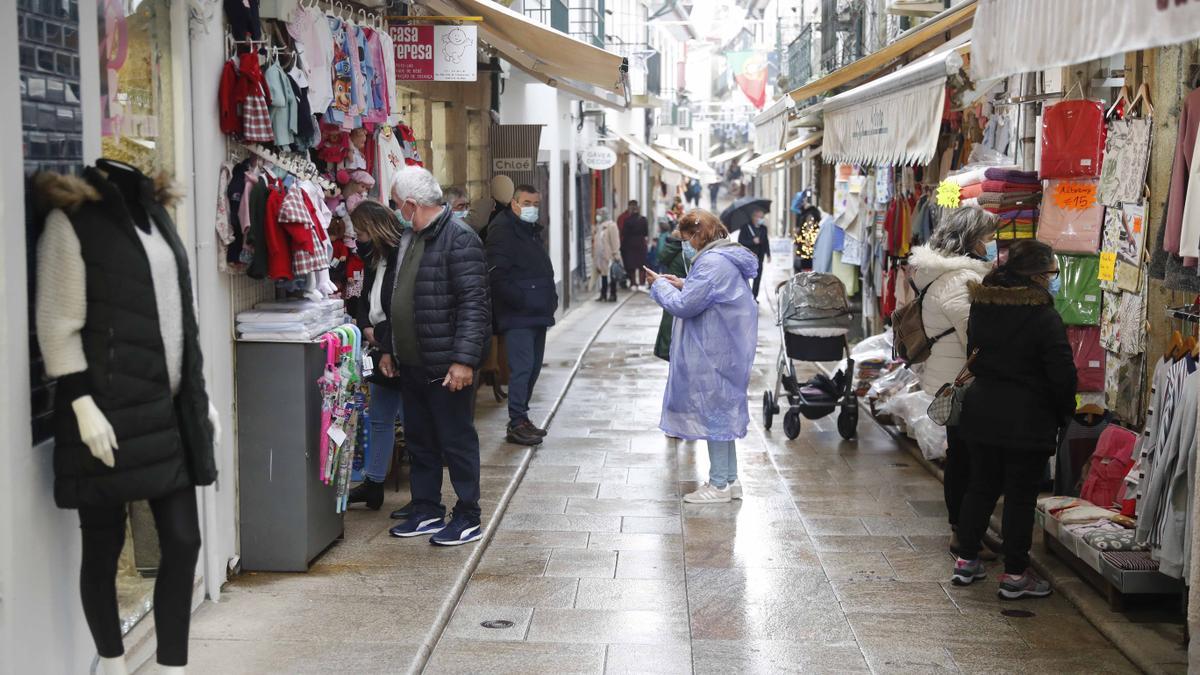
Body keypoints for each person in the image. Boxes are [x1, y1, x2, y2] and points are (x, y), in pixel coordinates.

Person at [950, 240, 1077, 598]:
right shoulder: (1043, 316)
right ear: (1037, 274)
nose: (1053, 280)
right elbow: (1061, 371)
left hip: (981, 409)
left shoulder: (982, 304)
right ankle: (1016, 575)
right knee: (1020, 496)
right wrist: (1066, 409)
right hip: (1027, 416)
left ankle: (966, 561)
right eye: (1051, 273)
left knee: (981, 486)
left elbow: (973, 353)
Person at [380, 168, 492, 546]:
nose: (395, 211)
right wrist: (390, 348)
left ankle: (468, 514)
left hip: (447, 365)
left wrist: (464, 361)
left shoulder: (460, 240)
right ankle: (426, 508)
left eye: (397, 205)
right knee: (421, 440)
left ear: (411, 204)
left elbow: (475, 306)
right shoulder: (409, 236)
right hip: (413, 361)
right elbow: (397, 294)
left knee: (456, 441)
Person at [646, 209, 759, 503]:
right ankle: (730, 480)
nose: (686, 245)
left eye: (686, 239)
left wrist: (659, 285)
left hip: (713, 351)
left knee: (715, 415)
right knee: (721, 413)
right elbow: (708, 292)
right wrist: (684, 282)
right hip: (725, 348)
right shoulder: (724, 257)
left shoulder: (710, 263)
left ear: (698, 235)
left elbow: (685, 306)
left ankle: (719, 484)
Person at [907, 207, 997, 550]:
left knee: (960, 455)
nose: (992, 244)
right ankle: (964, 531)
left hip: (950, 378)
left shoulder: (939, 274)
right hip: (964, 382)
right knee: (969, 461)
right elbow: (974, 335)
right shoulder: (960, 280)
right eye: (989, 237)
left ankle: (963, 527)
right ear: (973, 240)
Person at [346, 202, 408, 514]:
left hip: (398, 345)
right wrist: (366, 327)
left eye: (360, 231)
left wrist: (383, 337)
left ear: (375, 228)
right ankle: (373, 484)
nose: (357, 238)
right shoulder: (373, 259)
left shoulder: (401, 256)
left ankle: (424, 496)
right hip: (378, 342)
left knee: (412, 420)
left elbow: (401, 303)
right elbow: (364, 298)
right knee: (380, 417)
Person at [485, 184, 558, 446]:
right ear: (514, 203)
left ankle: (522, 418)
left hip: (537, 312)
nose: (532, 209)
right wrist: (522, 300)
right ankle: (516, 421)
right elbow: (497, 274)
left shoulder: (530, 231)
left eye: (536, 204)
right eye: (527, 203)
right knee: (522, 368)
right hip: (518, 315)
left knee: (533, 368)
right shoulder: (503, 230)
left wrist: (550, 299)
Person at [653, 229, 695, 361]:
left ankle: (665, 350)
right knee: (673, 326)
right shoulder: (682, 256)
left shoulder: (674, 252)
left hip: (672, 295)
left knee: (668, 323)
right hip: (678, 296)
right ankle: (669, 351)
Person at [737, 208, 771, 300]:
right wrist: (752, 241)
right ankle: (745, 296)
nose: (761, 219)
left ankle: (754, 297)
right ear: (754, 217)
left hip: (759, 257)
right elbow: (740, 242)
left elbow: (766, 242)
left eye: (762, 217)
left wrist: (768, 254)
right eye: (760, 217)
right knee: (745, 277)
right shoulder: (745, 227)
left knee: (758, 278)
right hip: (747, 257)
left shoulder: (764, 229)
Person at [593, 208, 621, 302]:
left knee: (612, 275)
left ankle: (613, 294)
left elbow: (615, 241)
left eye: (600, 214)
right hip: (601, 256)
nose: (598, 216)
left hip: (610, 256)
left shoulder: (612, 226)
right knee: (603, 275)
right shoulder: (600, 227)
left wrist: (616, 254)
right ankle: (603, 294)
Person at [620, 200, 650, 288]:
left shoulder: (627, 220)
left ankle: (633, 282)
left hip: (630, 243)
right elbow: (646, 233)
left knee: (631, 264)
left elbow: (624, 233)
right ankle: (642, 282)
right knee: (642, 263)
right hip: (641, 243)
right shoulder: (643, 220)